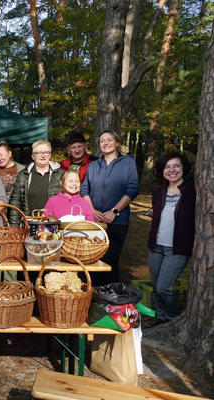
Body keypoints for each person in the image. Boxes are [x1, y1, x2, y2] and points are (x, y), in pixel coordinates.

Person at [81, 130, 139, 285]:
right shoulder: (93, 166)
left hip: (117, 221)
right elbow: (84, 189)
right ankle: (95, 298)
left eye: (109, 140)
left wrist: (114, 211)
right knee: (93, 258)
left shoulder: (128, 163)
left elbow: (132, 189)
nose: (105, 143)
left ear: (117, 143)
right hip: (95, 221)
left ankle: (112, 298)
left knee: (111, 259)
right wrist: (92, 211)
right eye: (102, 141)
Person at [147, 152, 195, 325]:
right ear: (162, 170)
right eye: (167, 166)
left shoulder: (192, 190)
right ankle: (160, 320)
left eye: (176, 166)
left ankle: (170, 320)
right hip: (156, 246)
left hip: (178, 248)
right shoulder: (158, 192)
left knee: (163, 288)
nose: (172, 170)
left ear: (183, 168)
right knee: (156, 288)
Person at [9, 140, 63, 226]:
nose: (43, 155)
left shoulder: (60, 175)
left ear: (50, 155)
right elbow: (15, 201)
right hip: (29, 224)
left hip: (53, 224)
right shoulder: (23, 175)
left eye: (46, 152)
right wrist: (14, 225)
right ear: (33, 156)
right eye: (38, 152)